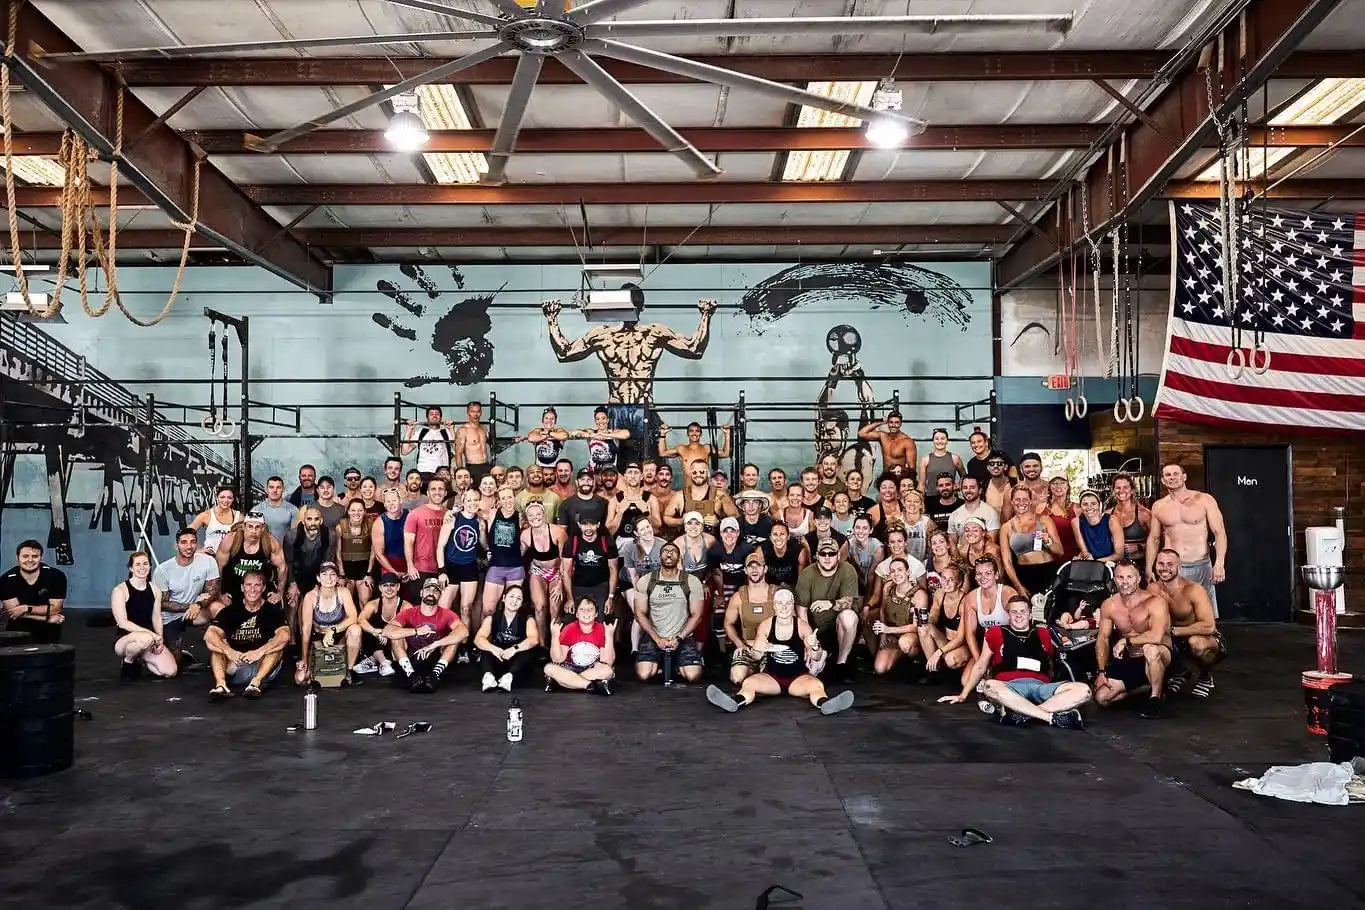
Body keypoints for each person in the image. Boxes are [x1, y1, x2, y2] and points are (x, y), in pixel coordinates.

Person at [938, 595, 1089, 729]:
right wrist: (963, 695)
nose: (1018, 615)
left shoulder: (1043, 633)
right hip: (1009, 686)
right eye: (1014, 612)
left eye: (1023, 611)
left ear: (1030, 614)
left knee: (1083, 690)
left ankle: (1024, 713)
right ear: (1008, 615)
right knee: (990, 686)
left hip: (1040, 686)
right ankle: (1049, 717)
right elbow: (981, 665)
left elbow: (1049, 663)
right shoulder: (996, 632)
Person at [542, 295, 717, 407]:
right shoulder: (603, 334)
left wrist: (706, 316)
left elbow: (695, 350)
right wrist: (551, 320)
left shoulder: (654, 333)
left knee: (648, 464)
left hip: (645, 408)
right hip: (615, 409)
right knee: (612, 465)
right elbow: (564, 353)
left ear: (642, 308)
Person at [705, 588, 854, 715]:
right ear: (774, 606)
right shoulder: (766, 625)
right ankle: (735, 702)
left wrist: (814, 646)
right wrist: (759, 648)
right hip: (772, 678)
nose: (784, 607)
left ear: (792, 605)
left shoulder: (802, 626)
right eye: (780, 603)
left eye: (788, 603)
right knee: (749, 682)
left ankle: (825, 704)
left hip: (798, 678)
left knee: (817, 686)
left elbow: (816, 656)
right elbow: (756, 657)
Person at [1094, 561, 1172, 718]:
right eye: (1120, 577)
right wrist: (1101, 671)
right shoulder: (1109, 605)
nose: (1125, 582)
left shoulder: (1155, 602)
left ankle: (1156, 700)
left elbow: (1156, 636)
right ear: (1114, 579)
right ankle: (1145, 688)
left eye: (1130, 577)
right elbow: (1103, 638)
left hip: (1159, 654)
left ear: (1138, 578)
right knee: (1101, 698)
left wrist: (1125, 641)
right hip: (1131, 658)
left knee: (1150, 649)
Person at [1146, 463, 1227, 611]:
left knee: (1205, 612)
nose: (1172, 478)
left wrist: (1220, 563)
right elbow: (1154, 538)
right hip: (1172, 568)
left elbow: (1219, 532)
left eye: (1176, 474)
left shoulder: (1205, 500)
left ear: (1184, 477)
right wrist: (1148, 567)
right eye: (1167, 475)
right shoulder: (1159, 506)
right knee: (1172, 611)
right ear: (1163, 481)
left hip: (1201, 564)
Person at [1150, 548, 1225, 700]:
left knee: (1196, 643)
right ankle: (1180, 672)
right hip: (1173, 639)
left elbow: (1209, 626)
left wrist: (1173, 631)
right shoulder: (1153, 589)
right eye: (1161, 563)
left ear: (1179, 567)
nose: (1164, 568)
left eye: (1170, 564)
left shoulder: (1193, 590)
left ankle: (1205, 675)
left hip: (1204, 638)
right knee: (1153, 644)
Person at [205, 570, 291, 700]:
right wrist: (229, 652)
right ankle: (220, 685)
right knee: (217, 646)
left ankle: (255, 684)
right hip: (236, 663)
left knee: (277, 646)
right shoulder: (230, 611)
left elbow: (285, 635)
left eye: (257, 585)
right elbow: (209, 635)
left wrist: (258, 652)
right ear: (242, 587)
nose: (252, 589)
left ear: (263, 588)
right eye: (248, 585)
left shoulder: (273, 611)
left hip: (262, 665)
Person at [633, 542, 706, 684]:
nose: (669, 554)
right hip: (655, 636)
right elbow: (639, 613)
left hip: (682, 636)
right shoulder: (646, 581)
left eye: (673, 551)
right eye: (665, 551)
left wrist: (679, 638)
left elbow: (697, 615)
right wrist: (657, 638)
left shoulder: (691, 581)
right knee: (643, 675)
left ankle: (675, 664)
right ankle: (662, 664)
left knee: (693, 676)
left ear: (679, 557)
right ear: (659, 556)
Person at [385, 577, 468, 693]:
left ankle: (434, 675)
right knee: (396, 637)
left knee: (454, 639)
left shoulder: (447, 614)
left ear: (440, 596)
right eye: (428, 590)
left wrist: (434, 645)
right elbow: (387, 631)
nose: (431, 593)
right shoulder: (409, 613)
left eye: (435, 591)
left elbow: (464, 632)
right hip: (411, 658)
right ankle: (411, 675)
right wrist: (416, 631)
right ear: (421, 593)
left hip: (435, 659)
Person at [795, 538, 862, 682]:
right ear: (816, 556)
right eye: (823, 553)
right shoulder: (807, 574)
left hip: (844, 628)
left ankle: (842, 664)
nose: (827, 557)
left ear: (838, 555)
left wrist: (830, 604)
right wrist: (808, 643)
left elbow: (848, 602)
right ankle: (825, 659)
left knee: (848, 617)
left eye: (831, 554)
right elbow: (801, 612)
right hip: (817, 630)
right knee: (811, 670)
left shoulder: (847, 570)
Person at [153, 526, 222, 664]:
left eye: (193, 542)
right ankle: (176, 653)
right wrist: (191, 606)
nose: (189, 546)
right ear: (176, 545)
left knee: (218, 607)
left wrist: (198, 605)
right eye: (184, 542)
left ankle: (229, 646)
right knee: (173, 666)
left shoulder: (207, 561)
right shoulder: (163, 570)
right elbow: (162, 603)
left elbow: (213, 590)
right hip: (170, 618)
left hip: (196, 612)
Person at [110, 551, 178, 680]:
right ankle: (128, 662)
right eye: (138, 564)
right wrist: (153, 635)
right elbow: (122, 623)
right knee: (145, 639)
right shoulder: (120, 590)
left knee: (170, 671)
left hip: (149, 640)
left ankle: (142, 661)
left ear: (150, 566)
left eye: (145, 564)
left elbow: (156, 617)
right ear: (131, 568)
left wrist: (160, 639)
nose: (142, 567)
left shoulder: (155, 590)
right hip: (125, 641)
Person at [297, 562, 362, 687]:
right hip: (319, 638)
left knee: (355, 629)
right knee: (301, 678)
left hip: (338, 636)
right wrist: (304, 659)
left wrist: (333, 630)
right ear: (318, 578)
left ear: (337, 578)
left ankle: (348, 670)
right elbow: (306, 630)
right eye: (325, 574)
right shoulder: (311, 597)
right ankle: (318, 668)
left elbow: (353, 617)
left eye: (333, 574)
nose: (329, 578)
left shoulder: (343, 592)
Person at [437, 489, 487, 638]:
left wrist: (483, 532)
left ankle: (464, 644)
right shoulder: (453, 518)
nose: (472, 503)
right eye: (469, 500)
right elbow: (440, 547)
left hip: (469, 568)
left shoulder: (479, 521)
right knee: (443, 607)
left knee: (466, 608)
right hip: (451, 566)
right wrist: (442, 570)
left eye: (475, 500)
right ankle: (442, 643)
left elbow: (484, 546)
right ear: (463, 502)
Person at [998, 487, 1062, 601]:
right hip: (1024, 575)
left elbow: (1060, 551)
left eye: (1025, 499)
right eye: (1017, 499)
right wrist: (1019, 586)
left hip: (1048, 571)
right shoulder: (1006, 528)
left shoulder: (1044, 520)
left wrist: (1048, 541)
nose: (1021, 503)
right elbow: (1007, 562)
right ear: (1012, 501)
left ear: (1030, 501)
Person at [474, 585, 542, 692]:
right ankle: (488, 677)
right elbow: (478, 639)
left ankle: (508, 678)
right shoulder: (493, 617)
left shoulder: (528, 619)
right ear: (504, 598)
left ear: (522, 602)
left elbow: (534, 639)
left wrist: (514, 649)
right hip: (499, 656)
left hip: (516, 661)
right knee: (485, 648)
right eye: (511, 596)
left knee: (529, 650)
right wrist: (493, 649)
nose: (514, 601)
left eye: (519, 598)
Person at [216, 512, 287, 613]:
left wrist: (279, 593)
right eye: (250, 526)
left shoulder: (270, 542)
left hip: (259, 587)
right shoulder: (231, 539)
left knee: (273, 611)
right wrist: (219, 594)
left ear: (262, 528)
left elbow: (282, 567)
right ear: (244, 526)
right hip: (234, 586)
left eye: (257, 527)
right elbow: (218, 567)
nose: (253, 531)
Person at [544, 597, 617, 695]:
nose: (586, 612)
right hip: (569, 668)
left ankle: (565, 682)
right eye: (582, 610)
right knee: (549, 668)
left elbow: (607, 661)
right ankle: (589, 685)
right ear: (577, 614)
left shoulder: (602, 629)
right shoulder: (569, 628)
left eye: (590, 610)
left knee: (608, 671)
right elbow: (558, 659)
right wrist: (555, 636)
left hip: (592, 669)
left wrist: (609, 636)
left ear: (596, 614)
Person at [869, 557, 928, 675]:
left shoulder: (919, 595)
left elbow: (919, 626)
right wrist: (883, 635)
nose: (896, 574)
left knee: (905, 644)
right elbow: (882, 609)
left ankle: (915, 660)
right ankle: (893, 658)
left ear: (908, 572)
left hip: (911, 635)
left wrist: (888, 629)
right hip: (892, 635)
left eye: (900, 570)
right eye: (893, 571)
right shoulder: (888, 587)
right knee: (880, 668)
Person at [1, 540, 67, 644]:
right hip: (17, 632)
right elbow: (13, 612)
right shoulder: (6, 579)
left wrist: (25, 608)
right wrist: (47, 618)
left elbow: (55, 609)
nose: (30, 560)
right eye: (25, 556)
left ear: (41, 558)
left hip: (48, 633)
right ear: (17, 558)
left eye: (35, 556)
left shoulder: (56, 576)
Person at [724, 551, 775, 685]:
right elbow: (728, 623)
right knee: (737, 677)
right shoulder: (738, 596)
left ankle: (757, 677)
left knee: (770, 679)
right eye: (750, 567)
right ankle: (753, 673)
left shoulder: (777, 593)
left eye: (758, 566)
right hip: (748, 647)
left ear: (765, 569)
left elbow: (793, 622)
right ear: (745, 570)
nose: (754, 570)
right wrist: (740, 645)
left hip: (770, 648)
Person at [522, 500, 567, 642]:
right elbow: (516, 556)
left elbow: (566, 560)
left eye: (538, 514)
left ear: (544, 514)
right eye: (531, 515)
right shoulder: (525, 535)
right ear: (526, 517)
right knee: (540, 607)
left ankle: (556, 642)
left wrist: (561, 581)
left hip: (557, 571)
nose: (535, 518)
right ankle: (541, 644)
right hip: (538, 571)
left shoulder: (557, 532)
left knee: (554, 609)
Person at [561, 512, 619, 620]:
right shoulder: (572, 542)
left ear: (598, 524)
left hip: (601, 586)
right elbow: (566, 571)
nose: (588, 528)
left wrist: (610, 597)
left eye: (592, 524)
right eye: (584, 524)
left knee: (601, 618)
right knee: (571, 618)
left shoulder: (607, 542)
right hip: (578, 585)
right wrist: (569, 598)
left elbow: (613, 570)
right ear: (579, 525)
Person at [282, 505, 331, 623]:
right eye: (309, 519)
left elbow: (327, 561)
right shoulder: (291, 536)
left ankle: (314, 634)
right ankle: (293, 640)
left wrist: (321, 583)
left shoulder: (329, 535)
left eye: (316, 519)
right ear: (303, 521)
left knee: (317, 600)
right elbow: (288, 562)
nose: (313, 523)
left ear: (321, 521)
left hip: (316, 573)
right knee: (293, 602)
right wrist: (292, 584)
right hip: (296, 573)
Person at [921, 563, 972, 675]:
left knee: (951, 659)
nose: (946, 583)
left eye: (951, 579)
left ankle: (960, 670)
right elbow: (933, 618)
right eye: (944, 578)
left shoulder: (965, 602)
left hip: (962, 645)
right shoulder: (939, 594)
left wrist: (938, 652)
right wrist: (925, 621)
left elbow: (960, 638)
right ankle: (933, 670)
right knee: (923, 627)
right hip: (945, 640)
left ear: (959, 583)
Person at [403, 476, 449, 597]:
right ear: (428, 492)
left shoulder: (449, 515)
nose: (437, 492)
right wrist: (410, 565)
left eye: (440, 489)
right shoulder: (415, 514)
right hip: (420, 569)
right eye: (433, 489)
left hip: (443, 569)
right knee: (418, 608)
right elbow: (408, 542)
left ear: (445, 493)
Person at [482, 486, 525, 617]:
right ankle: (485, 636)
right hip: (496, 566)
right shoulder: (492, 514)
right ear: (499, 500)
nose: (507, 501)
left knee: (511, 610)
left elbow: (525, 541)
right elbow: (471, 511)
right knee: (488, 610)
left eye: (509, 497)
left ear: (514, 497)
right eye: (503, 498)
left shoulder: (521, 517)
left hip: (515, 568)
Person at [665, 458, 733, 536]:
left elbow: (736, 517)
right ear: (690, 474)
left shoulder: (719, 494)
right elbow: (666, 517)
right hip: (687, 543)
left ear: (707, 473)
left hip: (711, 544)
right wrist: (681, 521)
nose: (698, 475)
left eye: (702, 472)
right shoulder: (680, 495)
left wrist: (719, 522)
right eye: (694, 472)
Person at [355, 572, 405, 677]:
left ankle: (373, 660)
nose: (389, 589)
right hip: (377, 640)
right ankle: (383, 663)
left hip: (395, 642)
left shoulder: (405, 606)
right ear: (380, 588)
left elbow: (410, 627)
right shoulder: (374, 604)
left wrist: (388, 633)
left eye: (392, 585)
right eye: (385, 585)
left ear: (398, 587)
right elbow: (361, 619)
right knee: (368, 628)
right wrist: (375, 631)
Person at [963, 556, 1017, 647]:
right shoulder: (971, 598)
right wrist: (978, 659)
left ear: (996, 575)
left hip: (1009, 644)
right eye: (979, 574)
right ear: (975, 577)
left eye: (988, 573)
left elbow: (1019, 627)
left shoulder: (1008, 594)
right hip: (987, 646)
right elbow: (970, 634)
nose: (983, 578)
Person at [606, 462, 660, 545]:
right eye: (630, 472)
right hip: (622, 544)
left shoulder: (651, 499)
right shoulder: (615, 500)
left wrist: (646, 512)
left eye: (636, 473)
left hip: (645, 542)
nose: (633, 476)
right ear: (625, 476)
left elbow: (657, 529)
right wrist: (619, 513)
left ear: (641, 476)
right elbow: (609, 532)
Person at [335, 498, 375, 609]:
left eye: (360, 510)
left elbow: (373, 551)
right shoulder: (340, 527)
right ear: (348, 511)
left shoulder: (371, 525)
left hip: (364, 569)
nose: (356, 513)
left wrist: (369, 573)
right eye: (353, 510)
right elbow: (337, 553)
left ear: (364, 511)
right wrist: (342, 575)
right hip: (346, 569)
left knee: (364, 600)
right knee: (346, 603)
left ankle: (364, 624)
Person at [572, 405, 630, 475]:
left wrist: (605, 435)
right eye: (598, 419)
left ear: (608, 420)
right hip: (593, 472)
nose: (601, 421)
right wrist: (593, 436)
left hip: (610, 473)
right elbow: (574, 433)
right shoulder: (592, 432)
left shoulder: (614, 432)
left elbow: (626, 434)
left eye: (603, 418)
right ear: (595, 421)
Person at [402, 406, 455, 481]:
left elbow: (457, 449)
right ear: (427, 418)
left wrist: (452, 429)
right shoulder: (421, 432)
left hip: (441, 472)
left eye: (437, 413)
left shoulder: (446, 432)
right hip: (423, 472)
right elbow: (405, 451)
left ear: (441, 417)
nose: (434, 416)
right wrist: (409, 430)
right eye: (431, 414)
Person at [371, 488, 410, 587]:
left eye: (394, 500)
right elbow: (379, 555)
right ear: (384, 504)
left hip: (410, 563)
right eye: (388, 501)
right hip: (389, 564)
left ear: (400, 501)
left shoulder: (410, 515)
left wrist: (411, 567)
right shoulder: (379, 523)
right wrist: (394, 573)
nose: (391, 504)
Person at [1111, 473, 1151, 566]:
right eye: (1118, 488)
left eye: (1125, 487)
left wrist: (1139, 547)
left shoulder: (1144, 514)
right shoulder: (1108, 514)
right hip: (1115, 567)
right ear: (1113, 491)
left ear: (1132, 490)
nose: (1121, 491)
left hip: (1139, 565)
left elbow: (1157, 541)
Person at [658, 420, 731, 470]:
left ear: (701, 434)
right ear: (687, 434)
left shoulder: (707, 448)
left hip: (704, 490)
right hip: (688, 490)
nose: (694, 434)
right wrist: (663, 434)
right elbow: (662, 453)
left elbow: (725, 454)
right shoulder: (681, 449)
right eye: (691, 431)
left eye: (697, 431)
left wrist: (727, 434)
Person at [1073, 491, 1124, 562]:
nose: (1089, 507)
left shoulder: (1111, 520)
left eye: (1093, 504)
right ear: (1081, 507)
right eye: (1085, 504)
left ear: (1099, 505)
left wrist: (1096, 562)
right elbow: (1084, 551)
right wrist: (1087, 558)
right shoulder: (1076, 522)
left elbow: (1119, 555)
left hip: (1110, 562)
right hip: (1090, 562)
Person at [190, 486, 242, 556]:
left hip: (230, 559)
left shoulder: (239, 517)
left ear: (233, 499)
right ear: (217, 498)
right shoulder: (206, 515)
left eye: (229, 498)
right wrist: (198, 550)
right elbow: (185, 533)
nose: (225, 500)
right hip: (209, 558)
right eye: (222, 497)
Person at [946, 476, 999, 542]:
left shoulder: (991, 513)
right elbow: (952, 543)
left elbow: (992, 542)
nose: (968, 490)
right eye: (965, 488)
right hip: (961, 551)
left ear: (980, 490)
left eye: (972, 487)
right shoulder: (954, 515)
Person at [1042, 476, 1082, 561]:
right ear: (1049, 486)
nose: (1058, 486)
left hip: (1073, 558)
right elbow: (1034, 533)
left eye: (1062, 483)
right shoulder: (1041, 508)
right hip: (1049, 559)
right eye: (1054, 483)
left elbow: (1086, 535)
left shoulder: (1077, 508)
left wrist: (1083, 553)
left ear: (1067, 486)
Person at [761, 520, 808, 588]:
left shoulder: (799, 552)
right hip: (770, 589)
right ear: (770, 538)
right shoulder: (762, 551)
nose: (778, 538)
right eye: (775, 534)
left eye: (782, 534)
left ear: (788, 536)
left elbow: (801, 583)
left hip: (793, 589)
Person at [455, 400, 492, 482]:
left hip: (486, 465)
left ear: (481, 412)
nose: (476, 415)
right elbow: (458, 454)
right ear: (468, 412)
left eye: (478, 411)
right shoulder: (463, 430)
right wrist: (460, 473)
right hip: (473, 467)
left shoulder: (484, 428)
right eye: (472, 412)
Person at [254, 476, 298, 542]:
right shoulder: (256, 510)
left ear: (283, 489)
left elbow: (294, 536)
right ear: (266, 490)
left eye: (278, 487)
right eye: (271, 487)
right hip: (263, 549)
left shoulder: (293, 510)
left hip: (285, 550)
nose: (275, 490)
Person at [865, 474, 903, 542]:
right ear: (879, 490)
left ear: (897, 489)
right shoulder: (872, 512)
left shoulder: (905, 507)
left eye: (891, 487)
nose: (887, 490)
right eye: (884, 487)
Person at [983, 451, 1014, 517]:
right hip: (990, 526)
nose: (995, 466)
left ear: (1005, 467)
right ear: (988, 467)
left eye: (999, 463)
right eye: (992, 464)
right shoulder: (983, 486)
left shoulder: (1015, 484)